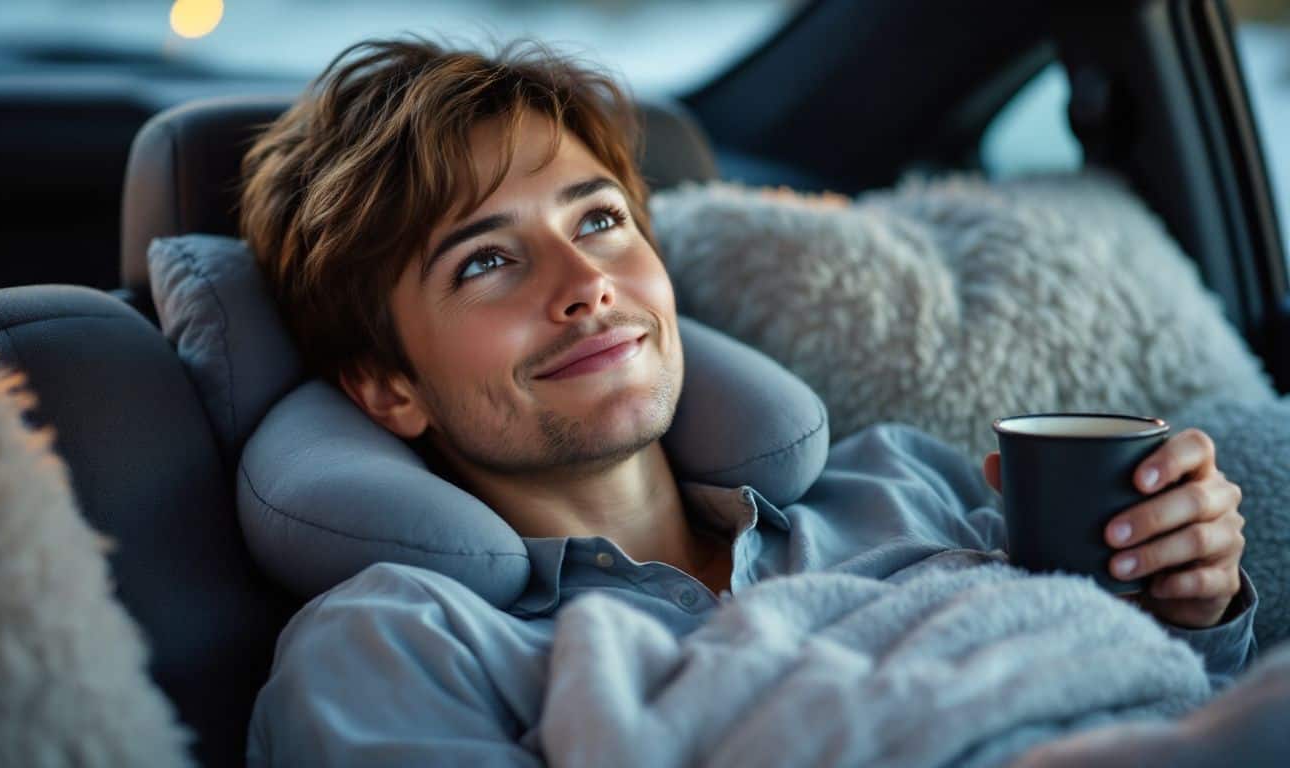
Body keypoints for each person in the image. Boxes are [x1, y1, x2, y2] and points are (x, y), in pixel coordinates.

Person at [239, 36, 1257, 766]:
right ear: (386, 387)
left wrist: (1186, 598)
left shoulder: (903, 482)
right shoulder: (396, 646)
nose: (586, 283)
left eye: (597, 220)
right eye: (488, 260)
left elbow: (1148, 686)